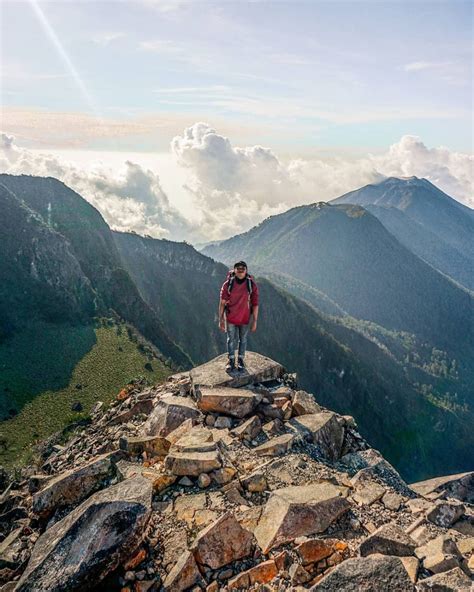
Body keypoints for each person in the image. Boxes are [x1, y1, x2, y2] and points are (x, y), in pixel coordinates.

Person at [218, 261, 259, 372]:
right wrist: (220, 319)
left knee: (243, 339)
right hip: (231, 317)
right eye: (238, 269)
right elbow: (222, 303)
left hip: (245, 318)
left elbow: (255, 304)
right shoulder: (228, 284)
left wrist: (255, 321)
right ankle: (231, 360)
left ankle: (240, 360)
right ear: (234, 270)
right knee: (231, 339)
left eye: (243, 269)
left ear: (246, 271)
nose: (240, 271)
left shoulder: (251, 285)